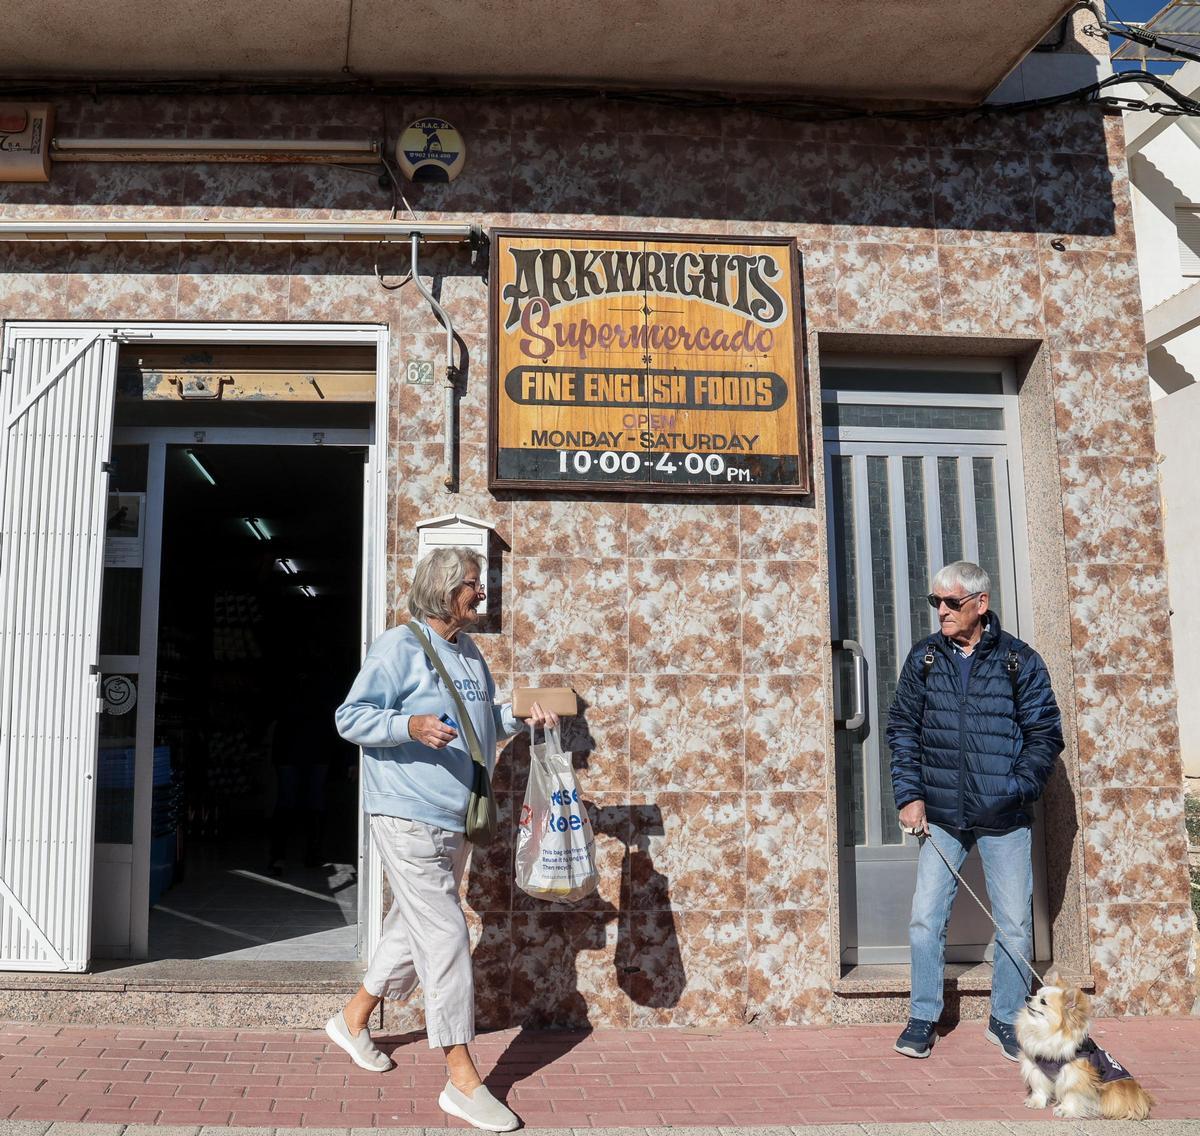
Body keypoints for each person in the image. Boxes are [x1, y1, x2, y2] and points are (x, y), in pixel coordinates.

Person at [326, 547, 557, 1132]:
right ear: (445, 589)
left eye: (479, 584)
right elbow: (349, 717)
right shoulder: (398, 646)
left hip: (456, 815)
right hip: (405, 811)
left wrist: (521, 717)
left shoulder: (470, 654)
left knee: (413, 925)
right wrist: (409, 725)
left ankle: (353, 1019)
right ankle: (460, 1075)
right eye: (473, 584)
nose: (482, 593)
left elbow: (481, 726)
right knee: (447, 933)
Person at [886, 561, 1063, 1063]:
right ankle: (923, 1016)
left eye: (951, 603)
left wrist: (1013, 790)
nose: (940, 611)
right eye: (934, 602)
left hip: (1003, 817)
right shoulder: (924, 659)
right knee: (924, 918)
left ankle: (1005, 1019)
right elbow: (902, 728)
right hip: (941, 814)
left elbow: (1046, 735)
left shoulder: (1018, 661)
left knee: (1013, 925)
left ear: (980, 604)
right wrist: (909, 795)